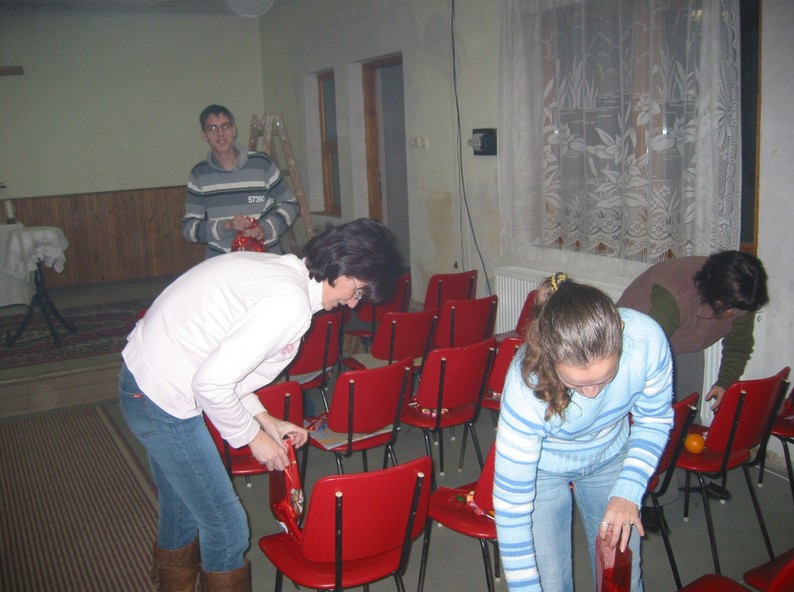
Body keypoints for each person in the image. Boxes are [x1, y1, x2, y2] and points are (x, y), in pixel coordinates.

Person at [119, 218, 402, 592]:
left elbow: (227, 367)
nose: (353, 304)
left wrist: (264, 418)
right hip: (161, 397)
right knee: (226, 525)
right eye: (359, 291)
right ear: (345, 269)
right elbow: (211, 383)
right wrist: (253, 437)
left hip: (147, 379)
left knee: (183, 506)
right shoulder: (289, 305)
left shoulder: (285, 272)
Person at [494, 273, 673, 592]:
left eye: (604, 380)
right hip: (544, 469)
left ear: (620, 333)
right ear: (549, 357)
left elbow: (655, 419)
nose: (592, 394)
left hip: (610, 455)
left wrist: (629, 489)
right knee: (549, 582)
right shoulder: (525, 387)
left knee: (622, 581)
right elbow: (511, 508)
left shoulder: (646, 339)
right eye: (576, 384)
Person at [617, 251, 769, 519]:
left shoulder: (740, 295)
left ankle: (686, 479)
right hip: (638, 343)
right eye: (730, 309)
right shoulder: (675, 296)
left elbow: (739, 344)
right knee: (660, 421)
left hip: (684, 340)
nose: (734, 314)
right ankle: (650, 498)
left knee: (688, 416)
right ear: (713, 294)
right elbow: (646, 355)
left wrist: (725, 383)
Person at [181, 104, 300, 258]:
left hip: (266, 258)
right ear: (204, 135)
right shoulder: (199, 174)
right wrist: (226, 226)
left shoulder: (262, 164)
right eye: (212, 128)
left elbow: (291, 204)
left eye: (225, 126)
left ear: (234, 130)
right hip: (222, 262)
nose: (220, 134)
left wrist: (265, 229)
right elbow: (189, 228)